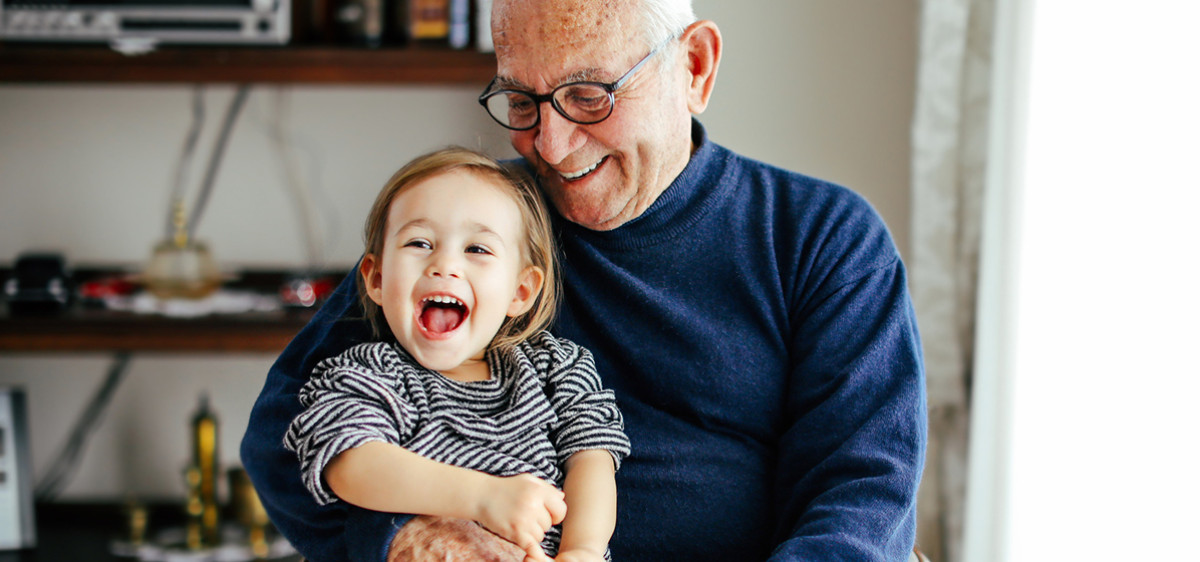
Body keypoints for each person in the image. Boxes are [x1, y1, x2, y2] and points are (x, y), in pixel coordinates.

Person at [241, 0, 928, 560]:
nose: (551, 144)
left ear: (694, 66)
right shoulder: (478, 226)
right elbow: (285, 431)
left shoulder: (821, 236)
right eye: (521, 100)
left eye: (589, 95)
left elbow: (861, 494)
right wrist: (408, 537)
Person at [281, 147, 631, 562]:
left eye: (477, 250)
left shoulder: (557, 368)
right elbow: (348, 463)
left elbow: (593, 458)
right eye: (419, 242)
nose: (444, 264)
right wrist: (483, 497)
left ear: (521, 291)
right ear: (376, 278)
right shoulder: (368, 373)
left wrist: (583, 550)